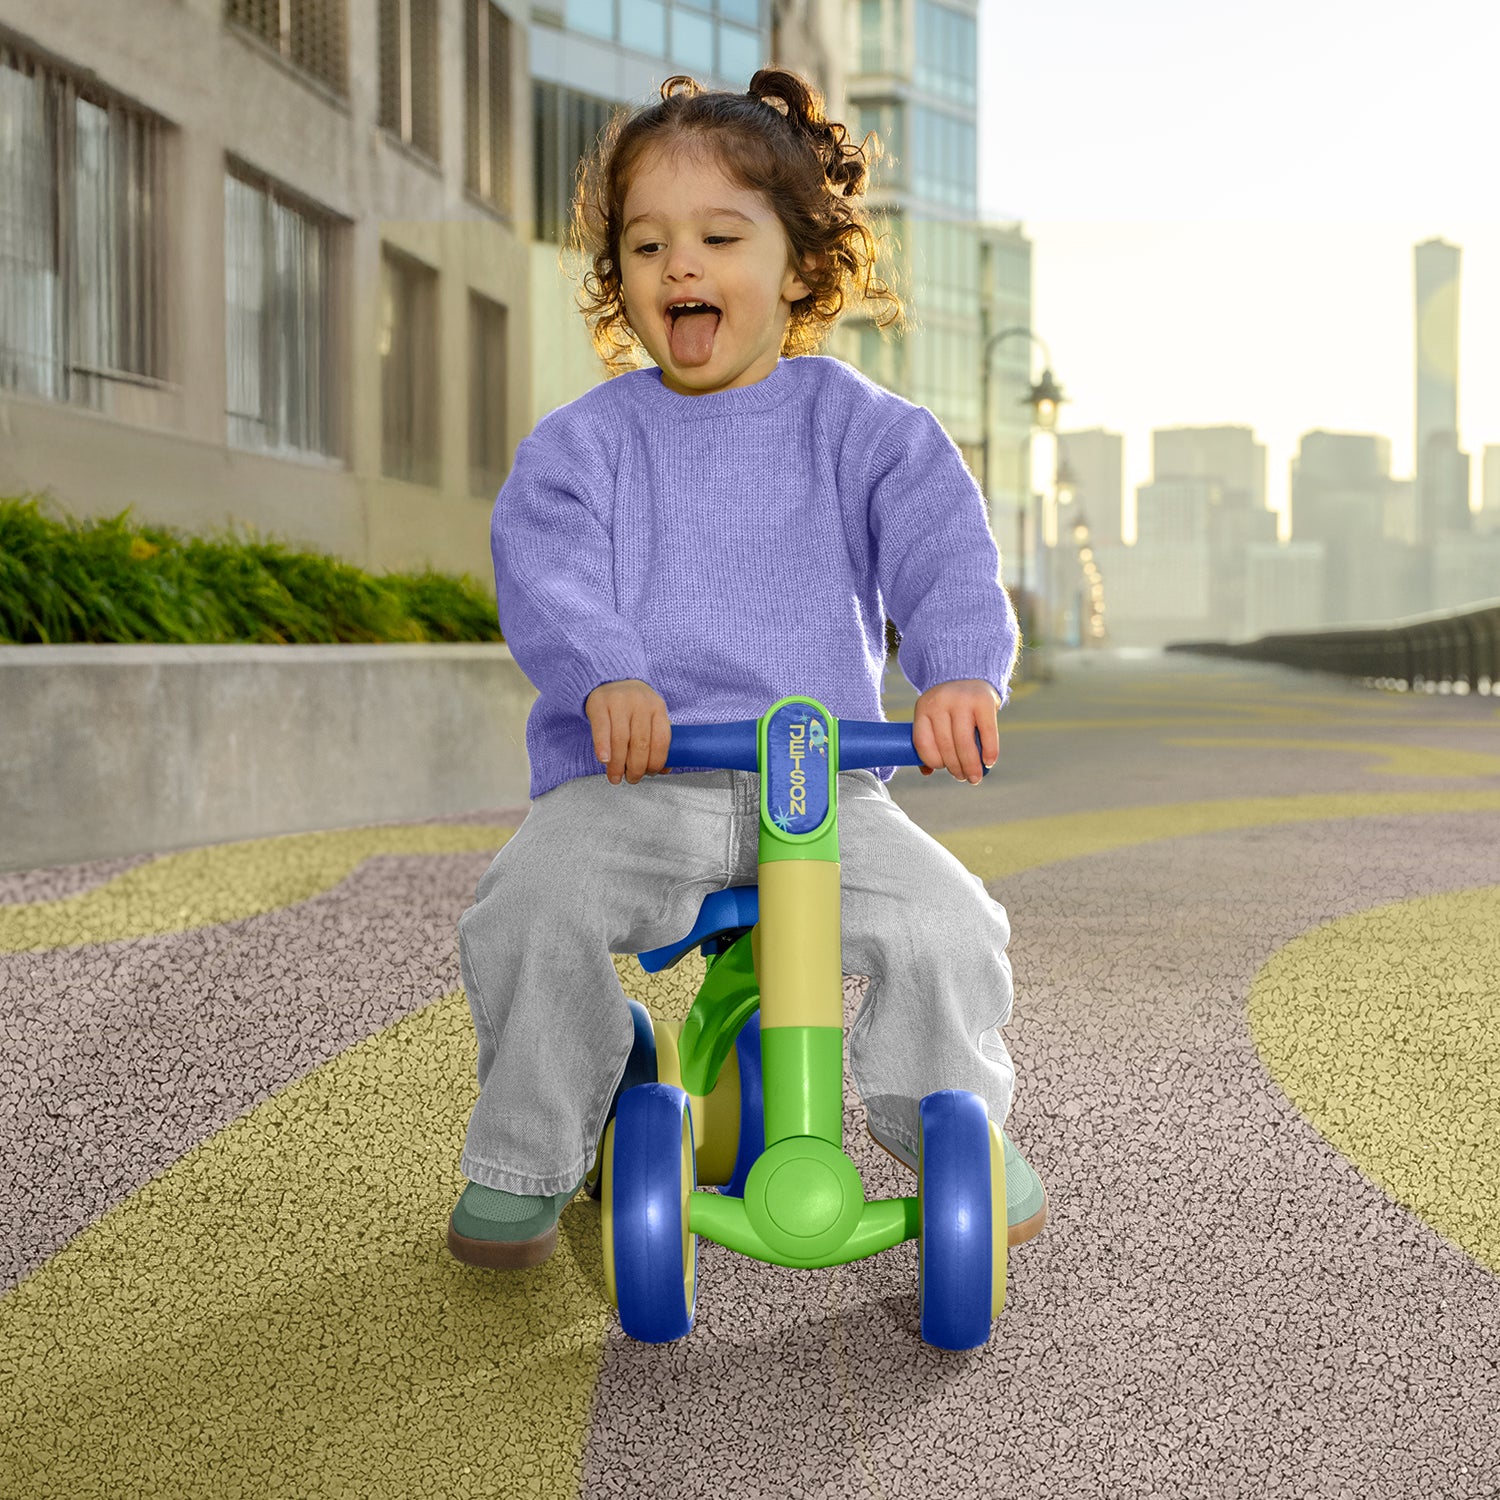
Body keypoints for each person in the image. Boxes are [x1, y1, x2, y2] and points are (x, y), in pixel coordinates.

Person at [448, 67, 1047, 1270]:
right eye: (648, 242)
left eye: (721, 237)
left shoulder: (867, 431)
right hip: (637, 782)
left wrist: (958, 677)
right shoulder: (587, 445)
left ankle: (952, 1132)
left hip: (822, 791)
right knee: (526, 907)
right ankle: (529, 1144)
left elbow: (940, 551)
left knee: (953, 927)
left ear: (795, 267)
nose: (683, 265)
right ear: (618, 275)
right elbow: (547, 570)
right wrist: (608, 674)